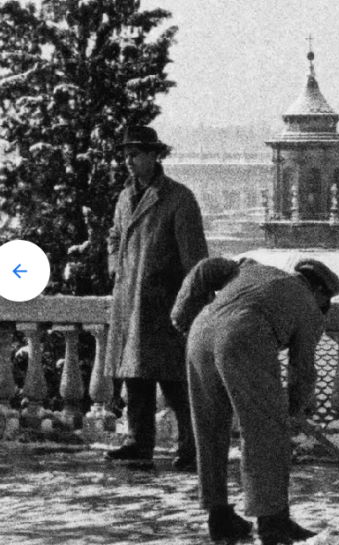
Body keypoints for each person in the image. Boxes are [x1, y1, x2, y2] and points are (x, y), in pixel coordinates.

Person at [171, 256, 339, 545]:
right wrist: (290, 410)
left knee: (209, 429)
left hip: (200, 332)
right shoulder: (309, 306)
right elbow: (303, 372)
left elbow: (205, 269)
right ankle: (273, 522)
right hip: (242, 336)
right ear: (320, 292)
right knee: (265, 433)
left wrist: (182, 315)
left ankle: (219, 516)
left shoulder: (252, 268)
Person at [104, 125, 208, 471]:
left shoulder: (179, 198)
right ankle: (138, 441)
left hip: (165, 305)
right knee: (136, 377)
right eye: (125, 155)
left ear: (154, 156)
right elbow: (115, 236)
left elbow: (195, 260)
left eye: (135, 154)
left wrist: (190, 304)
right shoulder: (124, 197)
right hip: (130, 301)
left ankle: (193, 447)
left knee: (176, 380)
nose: (128, 162)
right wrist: (117, 267)